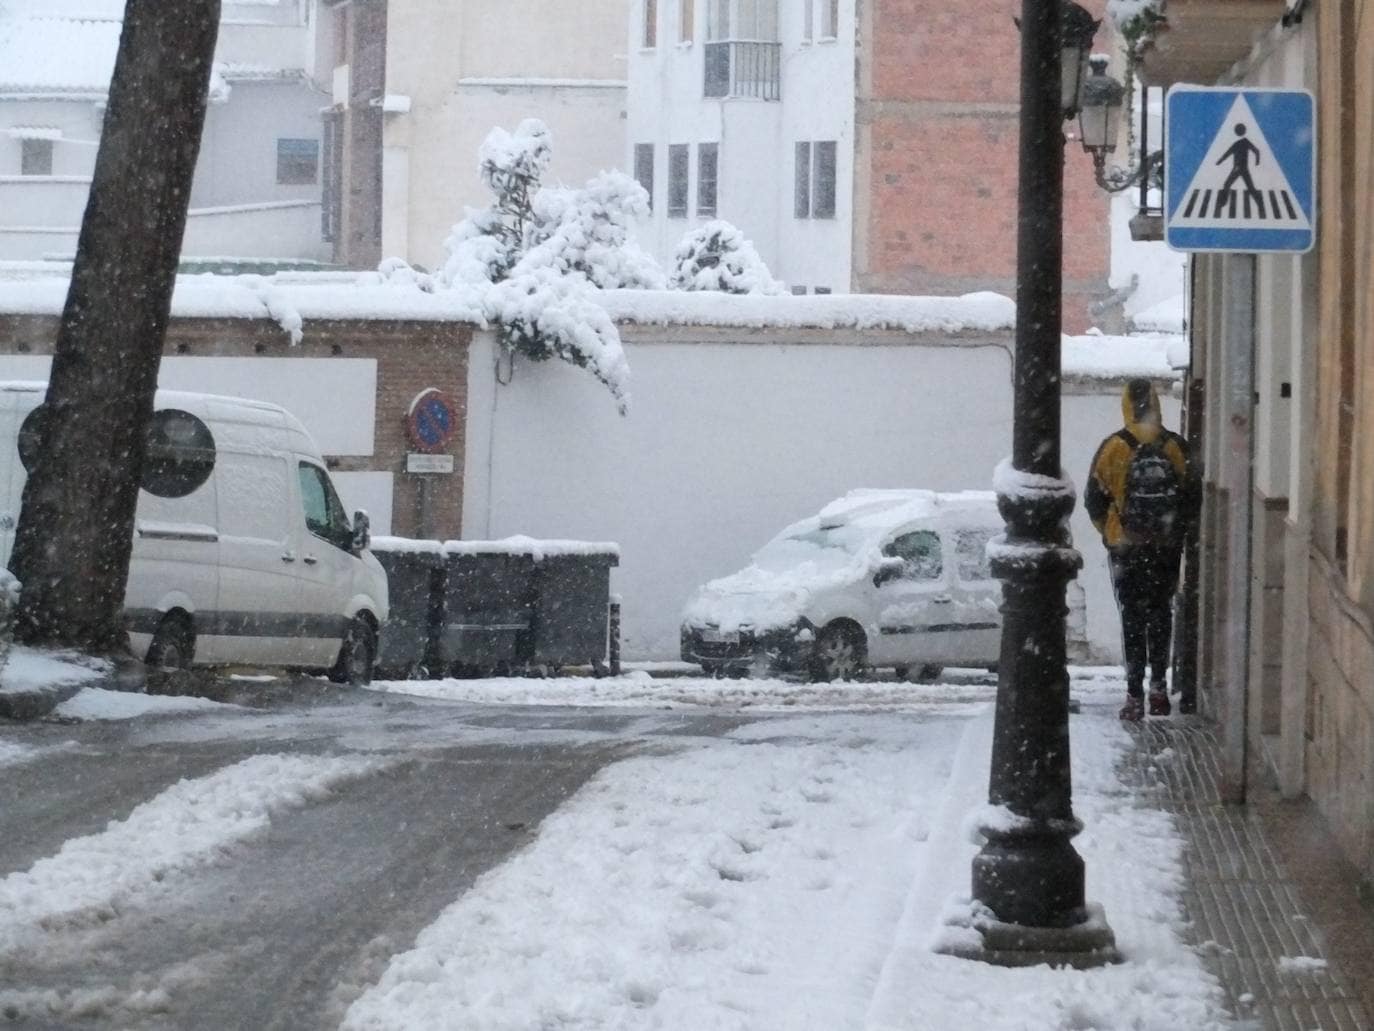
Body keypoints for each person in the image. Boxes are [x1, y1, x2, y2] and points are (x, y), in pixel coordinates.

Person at [1085, 378, 1195, 722]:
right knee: (1161, 614)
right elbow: (1192, 498)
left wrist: (1111, 533)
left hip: (1126, 549)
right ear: (1156, 404)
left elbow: (1093, 500)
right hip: (1165, 548)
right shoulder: (1175, 446)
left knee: (1132, 618)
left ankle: (1134, 694)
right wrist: (1174, 532)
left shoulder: (1114, 448)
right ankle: (1159, 688)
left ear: (1126, 406)